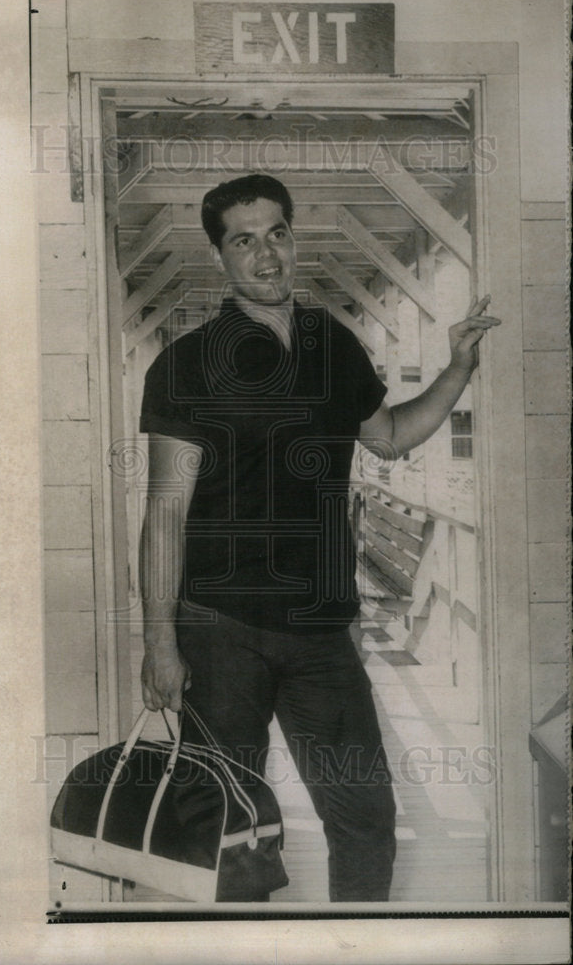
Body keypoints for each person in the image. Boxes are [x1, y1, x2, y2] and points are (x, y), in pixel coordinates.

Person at [138, 173, 500, 901]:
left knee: (366, 817)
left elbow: (392, 435)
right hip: (219, 628)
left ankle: (353, 946)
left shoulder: (332, 345)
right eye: (244, 240)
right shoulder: (182, 366)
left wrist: (457, 368)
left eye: (278, 233)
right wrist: (160, 642)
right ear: (221, 256)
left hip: (320, 630)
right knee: (230, 837)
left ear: (292, 239)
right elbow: (165, 513)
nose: (266, 254)